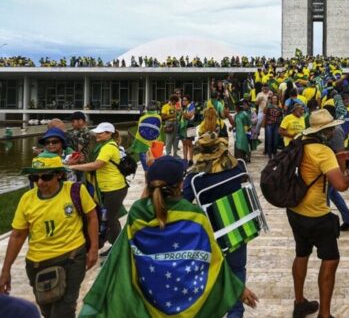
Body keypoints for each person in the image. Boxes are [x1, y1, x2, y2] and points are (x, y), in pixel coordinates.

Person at [80, 156, 258, 317]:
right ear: (181, 184)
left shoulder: (138, 212)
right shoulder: (194, 215)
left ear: (149, 183)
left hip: (148, 298)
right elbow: (213, 260)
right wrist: (237, 288)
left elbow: (120, 256)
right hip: (186, 301)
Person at [0, 154, 98, 318]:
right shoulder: (27, 199)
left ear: (59, 174)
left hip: (72, 258)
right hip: (38, 264)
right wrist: (6, 270)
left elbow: (92, 217)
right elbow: (17, 235)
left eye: (46, 177)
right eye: (34, 177)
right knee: (47, 311)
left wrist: (93, 248)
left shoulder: (75, 191)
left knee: (64, 310)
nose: (40, 183)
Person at [286, 109, 349, 318]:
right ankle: (324, 314)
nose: (333, 130)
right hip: (316, 214)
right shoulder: (323, 152)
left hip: (295, 209)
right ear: (324, 130)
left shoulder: (300, 141)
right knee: (330, 259)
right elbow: (341, 185)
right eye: (330, 128)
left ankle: (299, 303)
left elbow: (311, 165)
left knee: (302, 253)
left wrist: (337, 157)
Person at [182, 138, 250, 318]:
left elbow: (182, 202)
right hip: (236, 225)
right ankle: (235, 312)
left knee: (209, 274)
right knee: (237, 269)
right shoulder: (236, 168)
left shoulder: (195, 177)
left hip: (209, 232)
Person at [68, 122, 128, 257]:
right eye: (97, 132)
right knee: (111, 218)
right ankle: (116, 244)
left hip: (114, 188)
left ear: (108, 134)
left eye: (100, 133)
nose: (97, 135)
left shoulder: (108, 147)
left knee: (110, 218)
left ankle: (118, 247)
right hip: (109, 188)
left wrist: (73, 167)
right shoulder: (106, 146)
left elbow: (97, 164)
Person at [263, 94, 284, 159]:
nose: (274, 99)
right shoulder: (269, 106)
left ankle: (274, 153)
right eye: (273, 98)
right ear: (271, 99)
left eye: (276, 98)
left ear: (277, 100)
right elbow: (264, 112)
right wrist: (267, 103)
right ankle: (269, 155)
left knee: (275, 140)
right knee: (269, 140)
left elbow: (281, 116)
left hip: (277, 125)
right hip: (269, 124)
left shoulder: (279, 107)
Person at [180, 95, 197, 165]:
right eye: (182, 100)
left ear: (188, 101)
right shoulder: (185, 108)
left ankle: (191, 160)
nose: (183, 101)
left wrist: (181, 112)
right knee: (184, 143)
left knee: (190, 144)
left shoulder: (192, 107)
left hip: (190, 126)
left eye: (185, 100)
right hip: (184, 127)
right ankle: (185, 159)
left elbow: (188, 116)